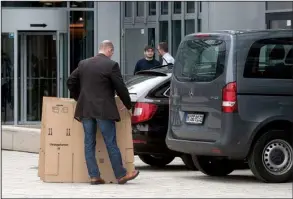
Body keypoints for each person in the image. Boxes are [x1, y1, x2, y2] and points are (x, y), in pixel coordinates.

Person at [67, 40, 140, 185]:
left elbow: (70, 81)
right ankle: (121, 175)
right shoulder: (111, 65)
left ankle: (94, 176)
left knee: (89, 143)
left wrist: (79, 97)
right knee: (110, 142)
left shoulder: (83, 64)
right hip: (104, 110)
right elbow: (121, 87)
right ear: (109, 50)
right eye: (112, 52)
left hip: (86, 109)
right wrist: (128, 105)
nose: (112, 55)